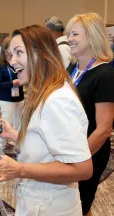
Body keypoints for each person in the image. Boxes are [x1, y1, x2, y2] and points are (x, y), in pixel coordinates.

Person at [0, 25, 93, 216]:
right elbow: (45, 144)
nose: (12, 61)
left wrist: (19, 169)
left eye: (19, 53)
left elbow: (82, 169)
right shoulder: (44, 91)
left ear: (40, 54)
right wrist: (14, 135)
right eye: (10, 54)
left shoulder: (57, 99)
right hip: (40, 201)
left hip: (51, 207)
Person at [66, 13, 114, 216]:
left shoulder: (105, 75)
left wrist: (79, 159)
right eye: (69, 33)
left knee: (81, 205)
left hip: (89, 153)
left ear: (92, 36)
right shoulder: (72, 68)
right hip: (68, 148)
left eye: (75, 33)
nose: (69, 39)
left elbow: (103, 129)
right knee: (70, 204)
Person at [0, 36, 24, 152]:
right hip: (6, 99)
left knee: (19, 122)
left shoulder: (18, 61)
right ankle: (1, 146)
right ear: (6, 49)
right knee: (6, 122)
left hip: (20, 97)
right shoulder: (0, 64)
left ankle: (18, 145)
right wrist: (12, 83)